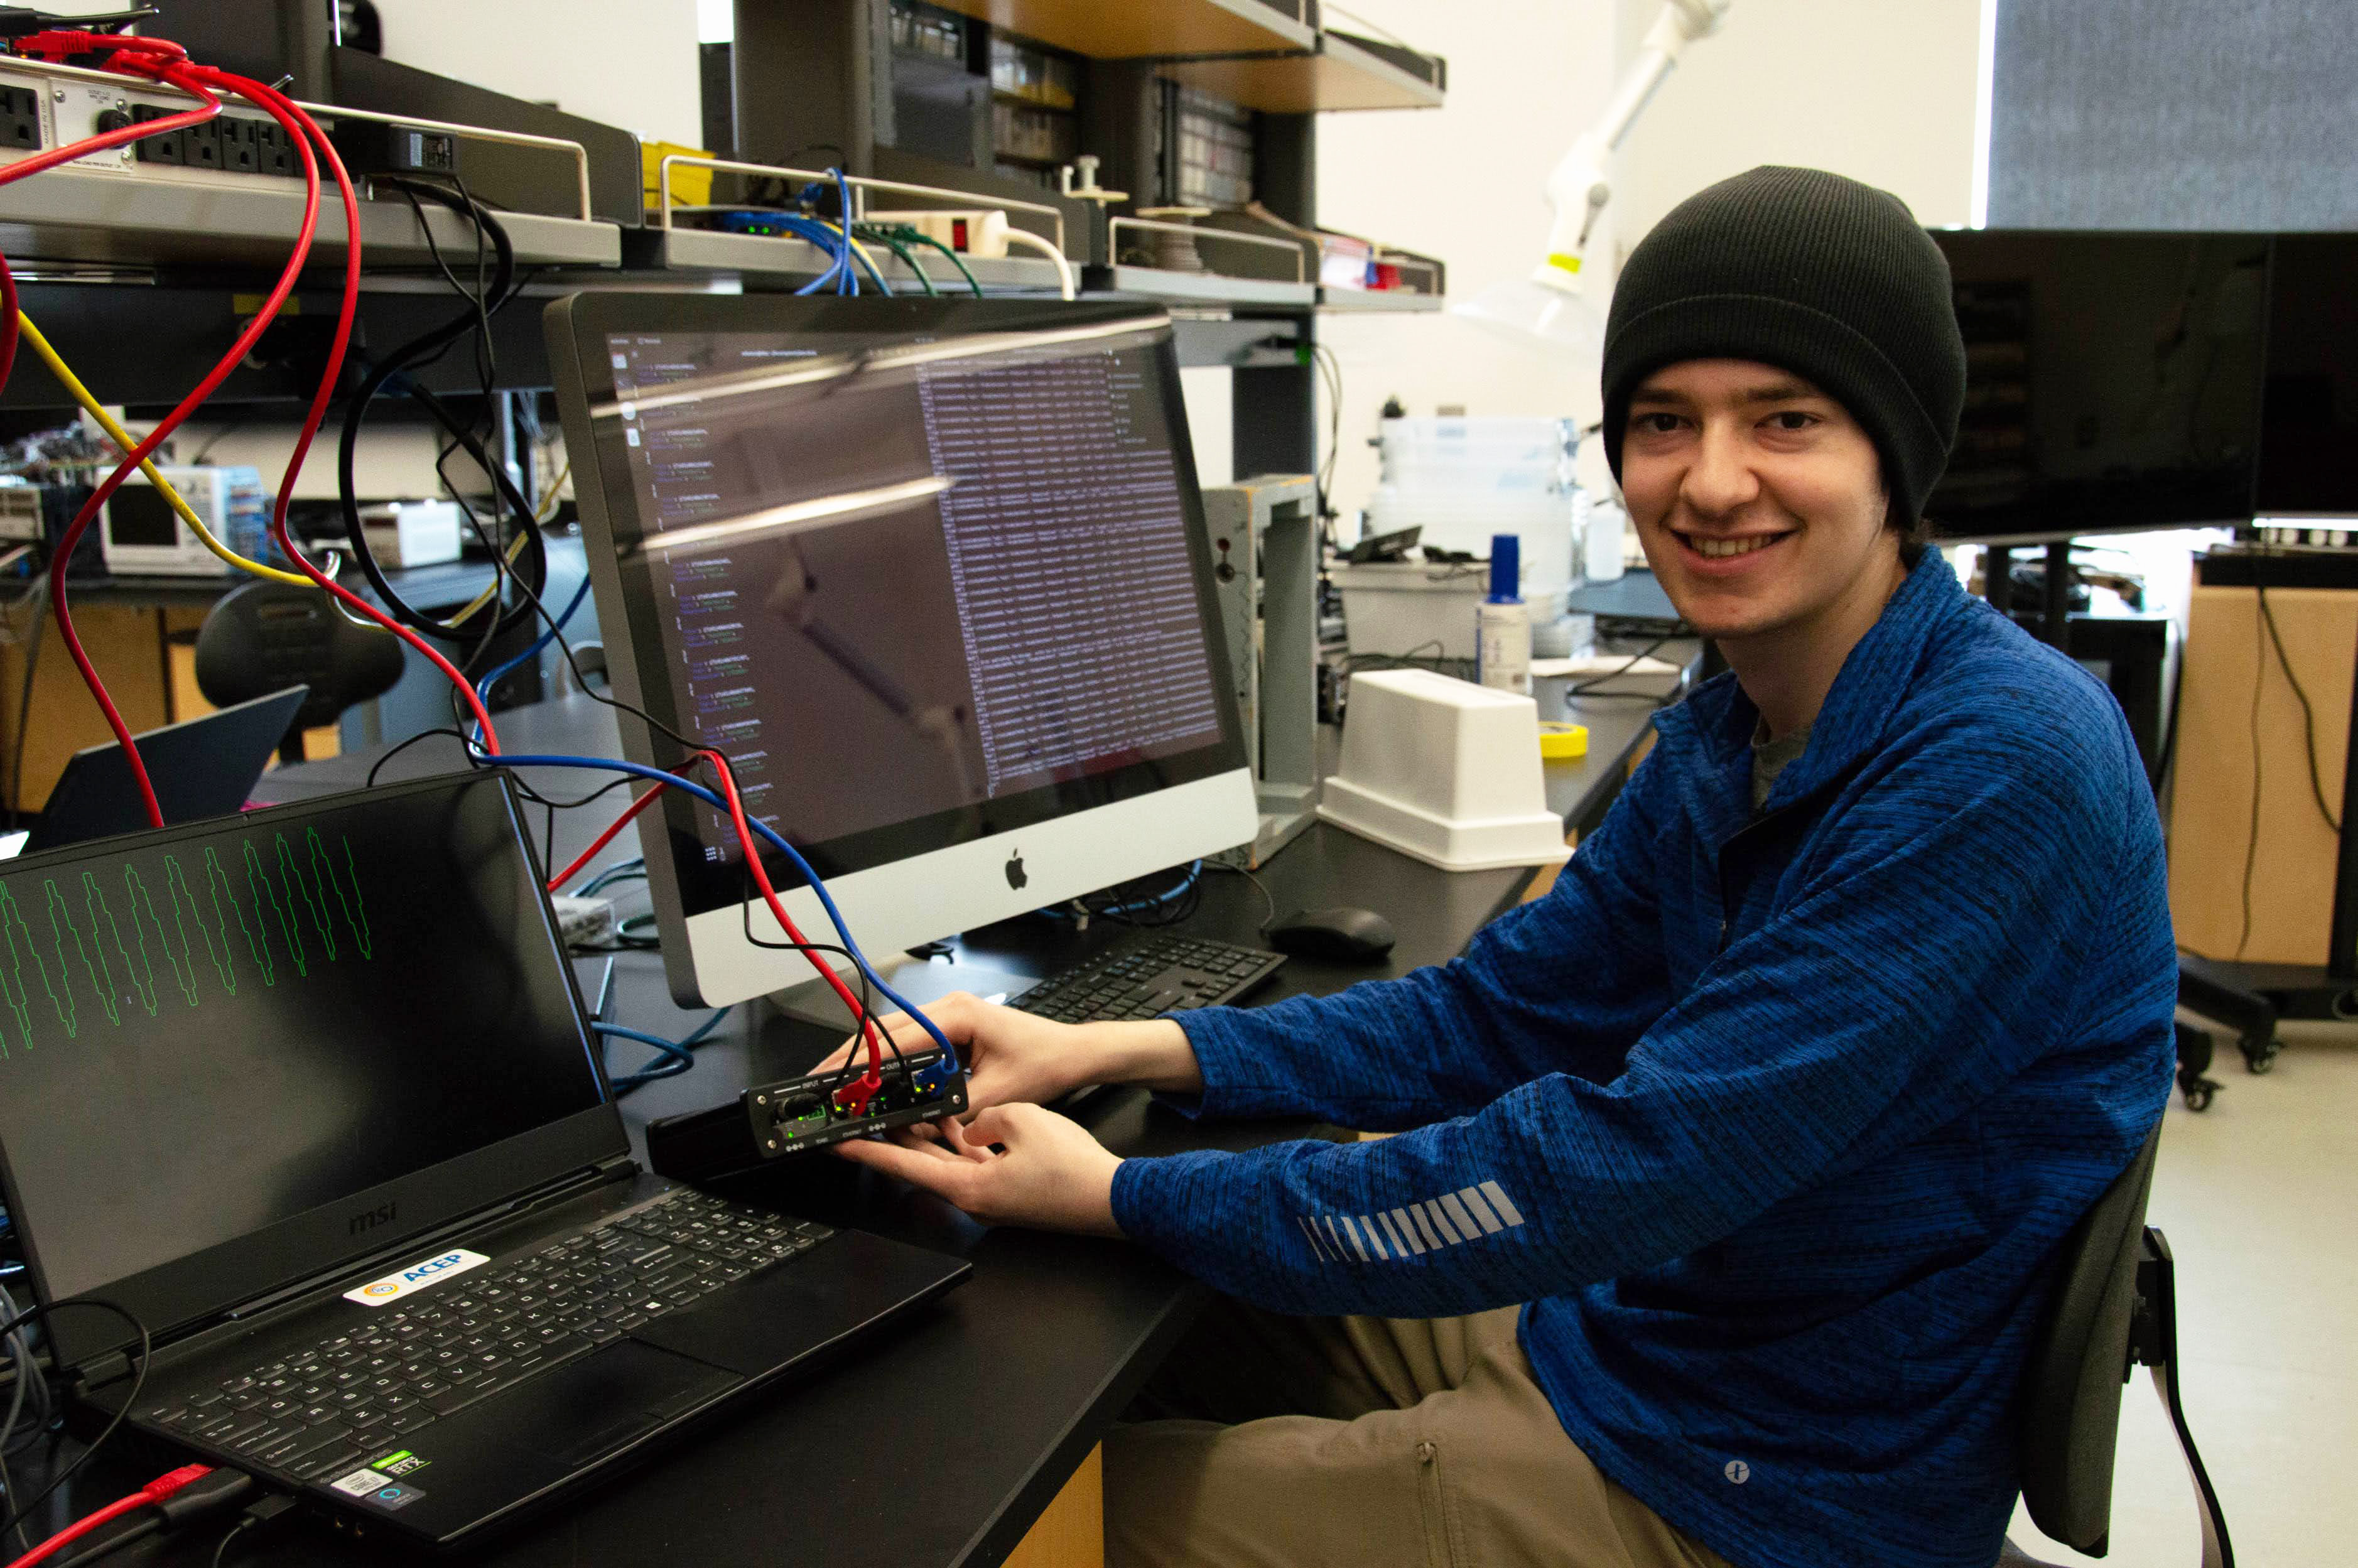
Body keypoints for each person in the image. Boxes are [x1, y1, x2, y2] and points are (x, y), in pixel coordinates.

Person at [829, 166, 2176, 1568]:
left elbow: (1605, 1173)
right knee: (1059, 1345)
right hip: (1650, 1337)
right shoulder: (1737, 724)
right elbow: (1493, 1018)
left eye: (1787, 420)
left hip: (1758, 1491)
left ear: (1896, 452)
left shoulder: (1996, 764)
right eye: (1665, 422)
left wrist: (1118, 1191)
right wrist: (1112, 1044)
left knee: (1017, 1535)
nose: (1711, 481)